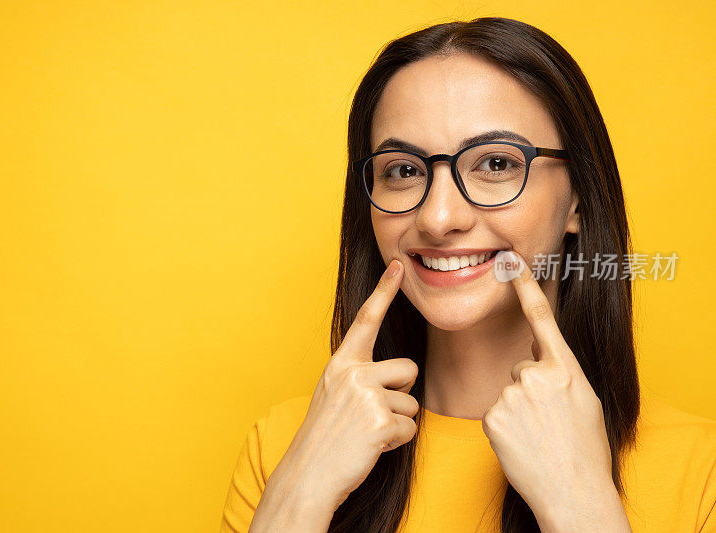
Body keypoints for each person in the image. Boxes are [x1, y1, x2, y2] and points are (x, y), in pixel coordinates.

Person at [220, 16, 716, 533]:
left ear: (577, 201)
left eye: (497, 164)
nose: (438, 219)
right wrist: (299, 496)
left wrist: (580, 506)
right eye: (403, 170)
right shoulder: (284, 449)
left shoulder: (702, 472)